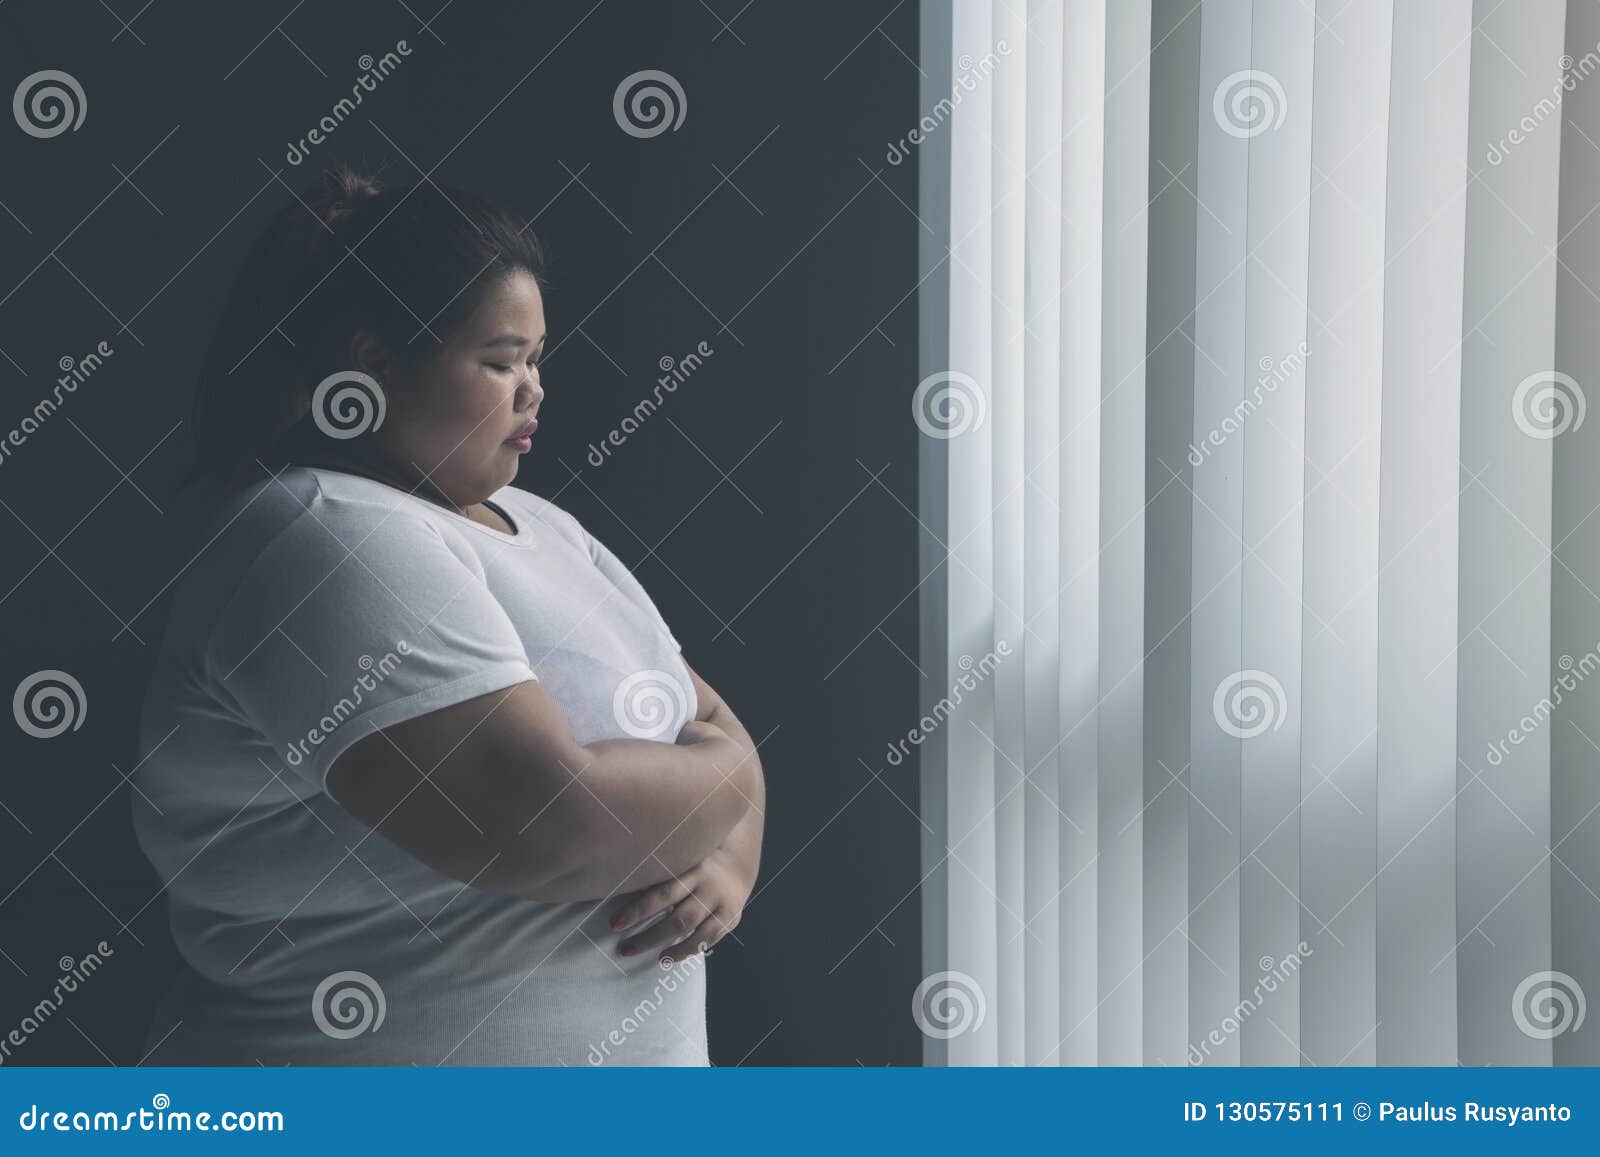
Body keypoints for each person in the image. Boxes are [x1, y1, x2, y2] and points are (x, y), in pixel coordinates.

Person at [131, 164, 764, 1065]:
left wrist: (727, 856)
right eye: (500, 360)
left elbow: (705, 720)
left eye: (538, 359)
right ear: (375, 367)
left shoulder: (548, 529)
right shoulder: (322, 535)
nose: (533, 389)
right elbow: (553, 825)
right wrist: (733, 780)